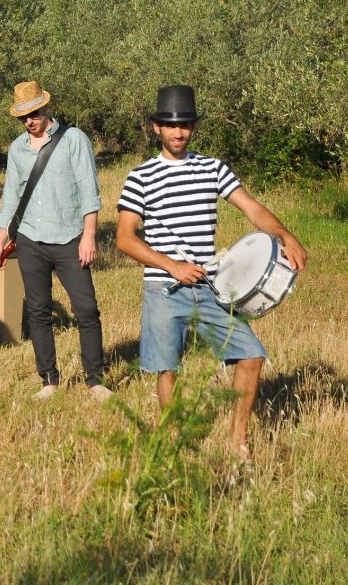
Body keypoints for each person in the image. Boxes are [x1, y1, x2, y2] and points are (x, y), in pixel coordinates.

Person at [115, 85, 307, 459]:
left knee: (251, 356)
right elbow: (124, 239)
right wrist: (172, 266)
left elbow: (251, 209)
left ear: (195, 126)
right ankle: (174, 443)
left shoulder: (213, 168)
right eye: (170, 125)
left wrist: (285, 235)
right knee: (167, 369)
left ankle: (238, 444)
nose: (178, 132)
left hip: (210, 288)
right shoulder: (141, 177)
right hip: (162, 288)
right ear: (156, 127)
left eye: (185, 124)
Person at [0, 81, 112, 402]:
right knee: (38, 311)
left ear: (45, 107)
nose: (29, 121)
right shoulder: (17, 149)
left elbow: (89, 191)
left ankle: (95, 380)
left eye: (33, 113)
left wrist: (89, 236)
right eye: (23, 117)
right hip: (30, 239)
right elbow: (10, 199)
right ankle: (49, 380)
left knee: (86, 309)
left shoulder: (73, 140)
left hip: (70, 238)